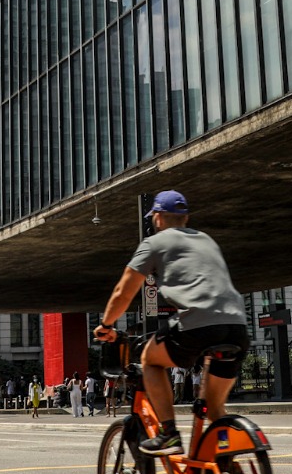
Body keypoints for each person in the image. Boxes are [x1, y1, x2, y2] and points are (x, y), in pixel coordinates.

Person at [93, 189, 248, 456]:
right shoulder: (207, 240)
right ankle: (227, 465)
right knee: (215, 409)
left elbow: (123, 293)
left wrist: (106, 326)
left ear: (158, 217)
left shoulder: (154, 242)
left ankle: (169, 434)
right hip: (237, 326)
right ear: (185, 218)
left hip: (197, 325)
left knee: (149, 360)